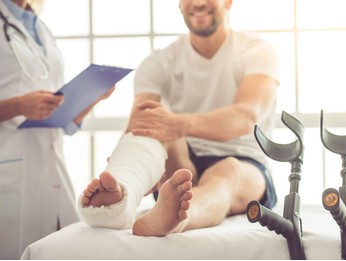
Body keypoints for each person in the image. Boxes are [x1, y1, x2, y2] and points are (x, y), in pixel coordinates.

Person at [78, 0, 279, 237]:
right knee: (154, 133)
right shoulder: (159, 62)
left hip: (244, 164)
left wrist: (179, 124)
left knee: (228, 170)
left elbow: (245, 117)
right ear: (180, 5)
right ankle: (121, 197)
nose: (199, 2)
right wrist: (127, 154)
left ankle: (178, 218)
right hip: (181, 163)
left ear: (228, 2)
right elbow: (142, 123)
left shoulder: (257, 50)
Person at [0, 0, 114, 259]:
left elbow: (58, 117)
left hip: (51, 165)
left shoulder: (40, 27)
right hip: (8, 167)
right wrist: (19, 105)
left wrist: (92, 97)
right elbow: (26, 103)